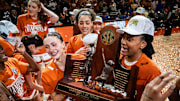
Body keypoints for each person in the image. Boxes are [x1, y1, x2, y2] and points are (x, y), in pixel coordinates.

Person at [117, 15, 161, 101]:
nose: (123, 42)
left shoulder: (152, 71)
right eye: (123, 37)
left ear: (143, 44)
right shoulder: (118, 59)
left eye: (129, 39)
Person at [41, 32, 86, 100]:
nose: (51, 50)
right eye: (47, 47)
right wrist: (70, 88)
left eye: (54, 45)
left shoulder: (80, 59)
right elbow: (56, 99)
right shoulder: (46, 73)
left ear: (63, 44)